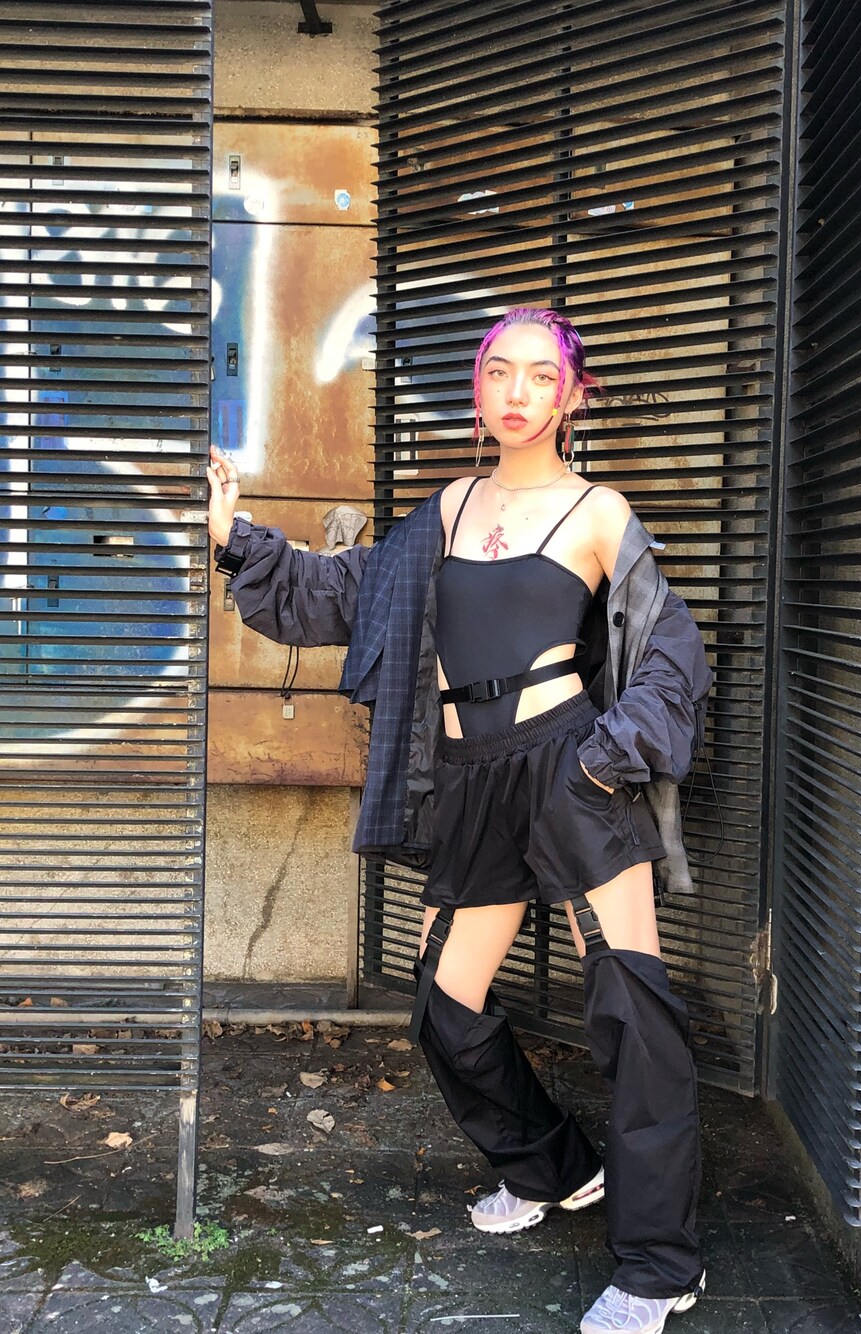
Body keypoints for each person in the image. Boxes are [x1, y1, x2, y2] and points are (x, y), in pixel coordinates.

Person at [207, 307, 712, 1334]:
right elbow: (341, 594)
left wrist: (603, 762)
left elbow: (672, 655)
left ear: (572, 395)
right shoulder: (446, 507)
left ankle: (661, 1267)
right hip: (471, 776)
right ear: (477, 389)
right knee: (445, 997)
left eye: (542, 375)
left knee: (631, 1009)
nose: (518, 392)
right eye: (499, 372)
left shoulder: (598, 512)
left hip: (571, 771)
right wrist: (233, 535)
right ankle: (554, 1166)